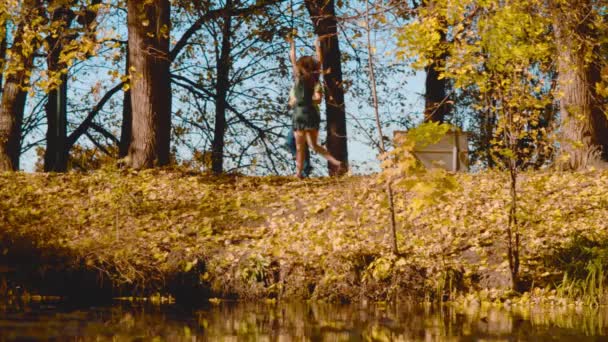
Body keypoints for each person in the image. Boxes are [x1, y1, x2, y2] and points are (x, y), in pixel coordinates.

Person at [287, 36, 342, 178]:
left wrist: (292, 44)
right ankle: (337, 163)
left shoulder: (298, 77)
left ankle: (298, 174)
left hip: (300, 114)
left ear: (300, 67)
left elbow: (292, 59)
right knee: (314, 145)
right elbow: (320, 61)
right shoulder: (315, 78)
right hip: (312, 114)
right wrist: (317, 44)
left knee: (300, 148)